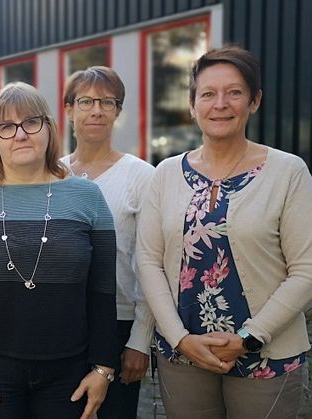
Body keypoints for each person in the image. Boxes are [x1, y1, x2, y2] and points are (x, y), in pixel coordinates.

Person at [136, 46, 311, 418]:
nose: (221, 104)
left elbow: (306, 269)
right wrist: (179, 338)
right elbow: (148, 261)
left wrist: (248, 338)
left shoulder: (288, 172)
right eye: (208, 94)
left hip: (266, 356)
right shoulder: (165, 174)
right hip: (183, 354)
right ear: (192, 104)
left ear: (255, 101)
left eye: (234, 92)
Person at [0, 82, 118, 419]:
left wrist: (104, 368)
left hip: (69, 372)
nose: (20, 134)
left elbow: (103, 290)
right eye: (6, 127)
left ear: (49, 128)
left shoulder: (88, 197)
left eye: (31, 122)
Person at [60, 66, 155, 419]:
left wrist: (140, 339)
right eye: (85, 101)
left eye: (107, 102)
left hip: (119, 323)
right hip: (60, 321)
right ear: (68, 109)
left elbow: (150, 263)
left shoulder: (141, 176)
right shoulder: (50, 173)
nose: (96, 110)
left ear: (118, 111)